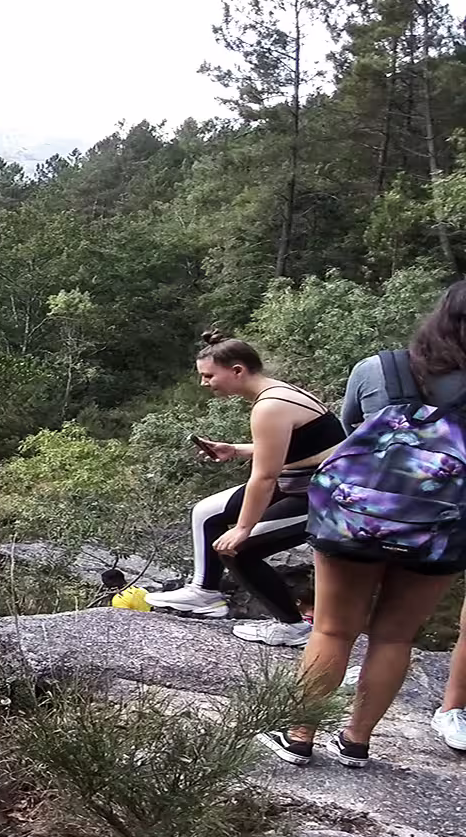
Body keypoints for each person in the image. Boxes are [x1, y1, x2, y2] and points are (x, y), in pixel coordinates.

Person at [264, 283, 466, 766]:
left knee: (333, 631)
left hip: (355, 519)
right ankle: (356, 742)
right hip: (440, 530)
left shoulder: (382, 369)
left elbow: (351, 435)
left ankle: (299, 736)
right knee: (395, 636)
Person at [145, 331, 346, 645]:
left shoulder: (270, 407)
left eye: (208, 375)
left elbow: (264, 478)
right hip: (299, 481)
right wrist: (236, 449)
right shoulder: (277, 393)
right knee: (206, 512)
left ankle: (292, 626)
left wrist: (242, 528)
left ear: (237, 370)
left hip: (326, 496)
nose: (204, 383)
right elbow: (296, 448)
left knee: (238, 549)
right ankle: (205, 593)